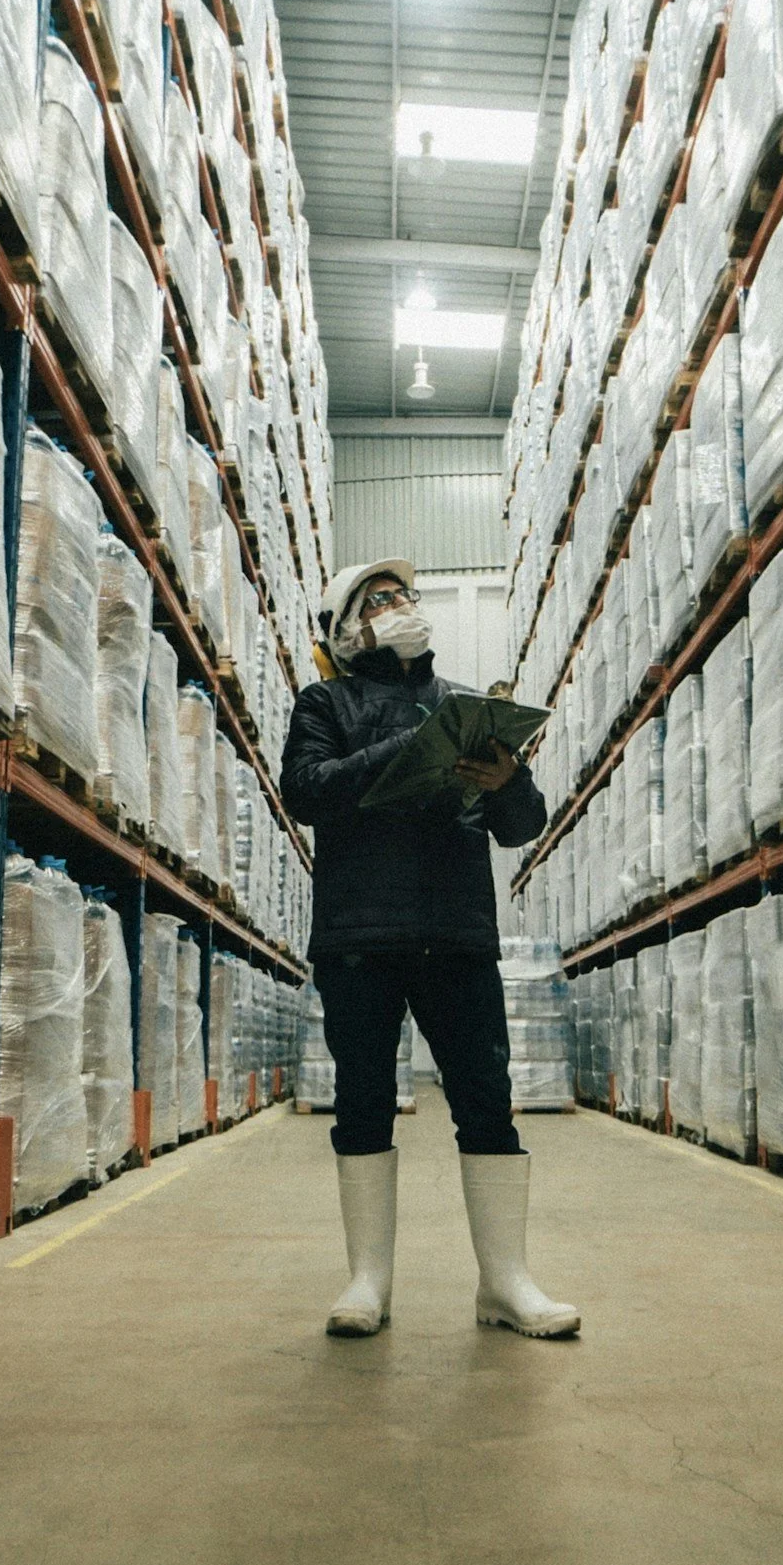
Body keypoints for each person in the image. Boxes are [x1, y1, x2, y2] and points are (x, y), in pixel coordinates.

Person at [280, 559, 580, 1341]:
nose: (399, 606)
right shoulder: (325, 702)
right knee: (365, 1098)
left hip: (456, 934)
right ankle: (367, 1282)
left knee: (485, 1097)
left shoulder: (464, 705)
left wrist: (505, 779)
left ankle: (505, 1283)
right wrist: (408, 751)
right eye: (378, 599)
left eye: (404, 596)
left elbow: (522, 826)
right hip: (361, 935)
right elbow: (306, 789)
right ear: (345, 628)